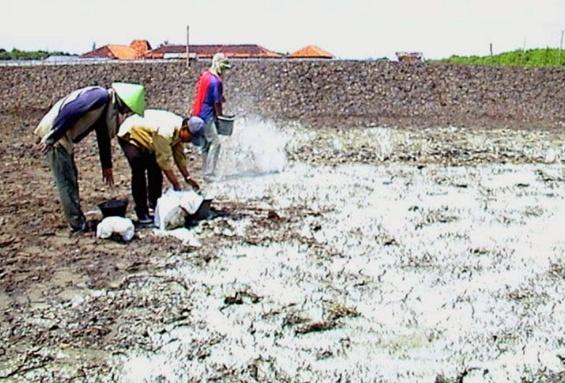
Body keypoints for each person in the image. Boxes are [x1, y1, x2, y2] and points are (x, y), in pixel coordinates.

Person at [34, 82, 145, 232]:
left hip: (62, 136)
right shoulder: (99, 96)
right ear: (122, 102)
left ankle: (77, 218)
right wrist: (51, 137)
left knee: (71, 176)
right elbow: (70, 111)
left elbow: (103, 136)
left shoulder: (104, 108)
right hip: (56, 135)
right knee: (66, 181)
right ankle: (77, 223)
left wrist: (107, 166)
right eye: (126, 110)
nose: (124, 113)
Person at [117, 109, 205, 224]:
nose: (189, 141)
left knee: (154, 170)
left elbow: (179, 157)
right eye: (190, 138)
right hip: (131, 134)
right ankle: (141, 211)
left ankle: (154, 204)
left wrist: (188, 178)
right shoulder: (165, 132)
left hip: (149, 139)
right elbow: (164, 161)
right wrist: (176, 185)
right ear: (185, 129)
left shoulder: (179, 133)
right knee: (138, 168)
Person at [190, 52, 231, 180]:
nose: (225, 72)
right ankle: (209, 173)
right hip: (207, 116)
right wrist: (220, 117)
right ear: (219, 66)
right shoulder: (216, 82)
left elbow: (208, 94)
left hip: (198, 114)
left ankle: (205, 172)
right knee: (216, 143)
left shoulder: (206, 76)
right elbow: (217, 103)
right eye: (224, 68)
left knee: (205, 145)